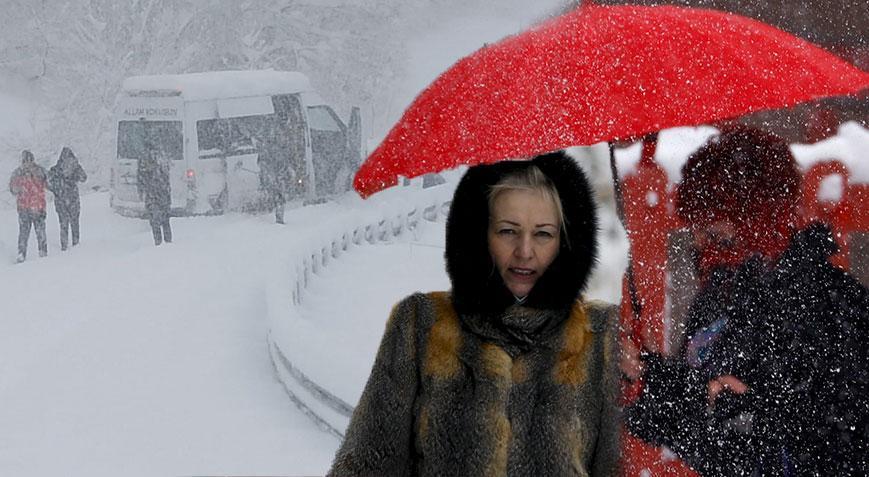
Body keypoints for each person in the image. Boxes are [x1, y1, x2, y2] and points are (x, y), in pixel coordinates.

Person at [328, 152, 621, 476]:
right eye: (508, 231)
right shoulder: (420, 327)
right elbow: (365, 465)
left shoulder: (602, 336)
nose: (524, 251)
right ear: (480, 234)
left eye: (543, 234)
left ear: (567, 242)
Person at [623, 126, 869, 476]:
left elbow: (771, 445)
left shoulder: (823, 308)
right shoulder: (722, 293)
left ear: (759, 223)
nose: (700, 244)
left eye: (715, 232)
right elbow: (705, 413)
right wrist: (647, 377)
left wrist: (740, 410)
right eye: (697, 228)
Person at [9, 150, 49, 263]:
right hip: (30, 207)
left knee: (33, 232)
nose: (27, 163)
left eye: (29, 160)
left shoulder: (20, 172)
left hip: (30, 207)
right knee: (28, 232)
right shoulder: (38, 171)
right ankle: (28, 253)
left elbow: (49, 184)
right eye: (26, 161)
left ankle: (40, 252)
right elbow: (13, 189)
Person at [48, 146, 87, 250]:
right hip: (73, 198)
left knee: (63, 224)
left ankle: (64, 246)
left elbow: (48, 183)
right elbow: (84, 178)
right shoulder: (75, 166)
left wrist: (57, 190)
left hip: (61, 200)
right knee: (75, 222)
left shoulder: (56, 169)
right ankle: (76, 244)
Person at [256, 127, 295, 224]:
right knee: (278, 196)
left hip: (277, 175)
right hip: (274, 176)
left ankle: (279, 216)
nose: (283, 138)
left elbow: (283, 162)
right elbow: (263, 162)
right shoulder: (272, 149)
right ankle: (278, 217)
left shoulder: (277, 149)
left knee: (279, 196)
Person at [137, 143, 172, 245]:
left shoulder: (144, 157)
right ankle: (167, 241)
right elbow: (166, 175)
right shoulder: (163, 156)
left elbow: (141, 176)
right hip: (163, 192)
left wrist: (141, 189)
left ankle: (158, 242)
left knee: (155, 219)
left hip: (153, 193)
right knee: (165, 219)